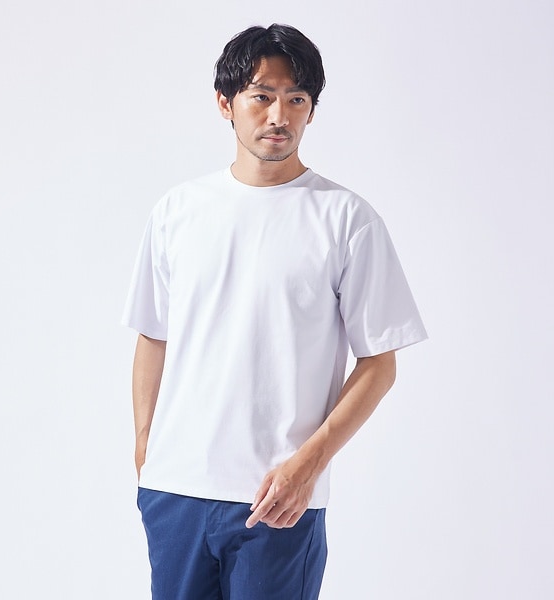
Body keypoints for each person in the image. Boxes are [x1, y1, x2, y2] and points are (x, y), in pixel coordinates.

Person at [122, 23, 427, 600]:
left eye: (296, 99)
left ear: (311, 110)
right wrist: (145, 445)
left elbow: (379, 364)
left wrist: (308, 466)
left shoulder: (346, 219)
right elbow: (152, 336)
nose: (279, 116)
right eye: (261, 96)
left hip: (278, 499)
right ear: (225, 103)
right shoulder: (177, 212)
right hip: (175, 491)